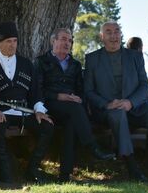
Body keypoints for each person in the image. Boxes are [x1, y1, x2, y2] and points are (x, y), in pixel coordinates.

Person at [84, 21, 148, 181]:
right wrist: (106, 104)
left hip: (136, 106)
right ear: (101, 37)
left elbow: (145, 86)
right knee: (118, 116)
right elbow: (88, 91)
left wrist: (130, 102)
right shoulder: (92, 59)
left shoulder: (135, 56)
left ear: (121, 34)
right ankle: (132, 167)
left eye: (117, 31)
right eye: (109, 32)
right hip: (108, 109)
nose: (114, 36)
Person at [34, 28, 115, 182]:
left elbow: (81, 90)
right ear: (53, 41)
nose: (67, 43)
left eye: (70, 40)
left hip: (72, 108)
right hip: (49, 104)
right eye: (64, 39)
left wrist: (77, 98)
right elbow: (38, 90)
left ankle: (65, 175)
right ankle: (92, 146)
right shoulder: (41, 61)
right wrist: (59, 96)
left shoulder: (75, 65)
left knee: (71, 122)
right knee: (74, 109)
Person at [0, 21, 54, 184]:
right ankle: (5, 176)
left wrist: (39, 110)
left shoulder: (26, 64)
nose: (12, 45)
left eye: (15, 41)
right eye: (8, 41)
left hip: (25, 112)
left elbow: (36, 91)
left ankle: (32, 169)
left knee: (47, 127)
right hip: (1, 112)